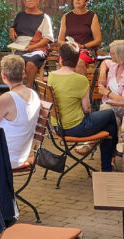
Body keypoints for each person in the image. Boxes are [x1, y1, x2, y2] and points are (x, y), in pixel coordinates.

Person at [50, 43, 118, 171]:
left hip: (57, 127)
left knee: (108, 128)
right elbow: (87, 109)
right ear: (77, 60)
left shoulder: (51, 76)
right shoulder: (80, 80)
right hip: (75, 127)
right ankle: (107, 165)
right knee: (109, 115)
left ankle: (107, 166)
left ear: (60, 58)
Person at [0, 54, 41, 168]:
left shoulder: (7, 98)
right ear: (23, 74)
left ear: (3, 76)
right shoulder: (34, 94)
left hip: (5, 158)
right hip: (20, 156)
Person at [6, 0, 54, 88]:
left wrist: (33, 47)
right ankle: (16, 89)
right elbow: (13, 27)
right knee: (13, 62)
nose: (30, 0)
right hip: (20, 46)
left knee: (31, 63)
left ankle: (29, 87)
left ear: (38, 0)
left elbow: (47, 38)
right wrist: (11, 29)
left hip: (37, 47)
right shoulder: (20, 15)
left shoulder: (45, 17)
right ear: (24, 2)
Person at [56, 0, 101, 75]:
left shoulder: (92, 16)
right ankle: (65, 88)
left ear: (87, 2)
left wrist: (82, 46)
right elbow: (60, 40)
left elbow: (98, 40)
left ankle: (82, 88)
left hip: (86, 50)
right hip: (70, 49)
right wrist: (71, 46)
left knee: (79, 62)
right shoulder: (66, 17)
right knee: (63, 62)